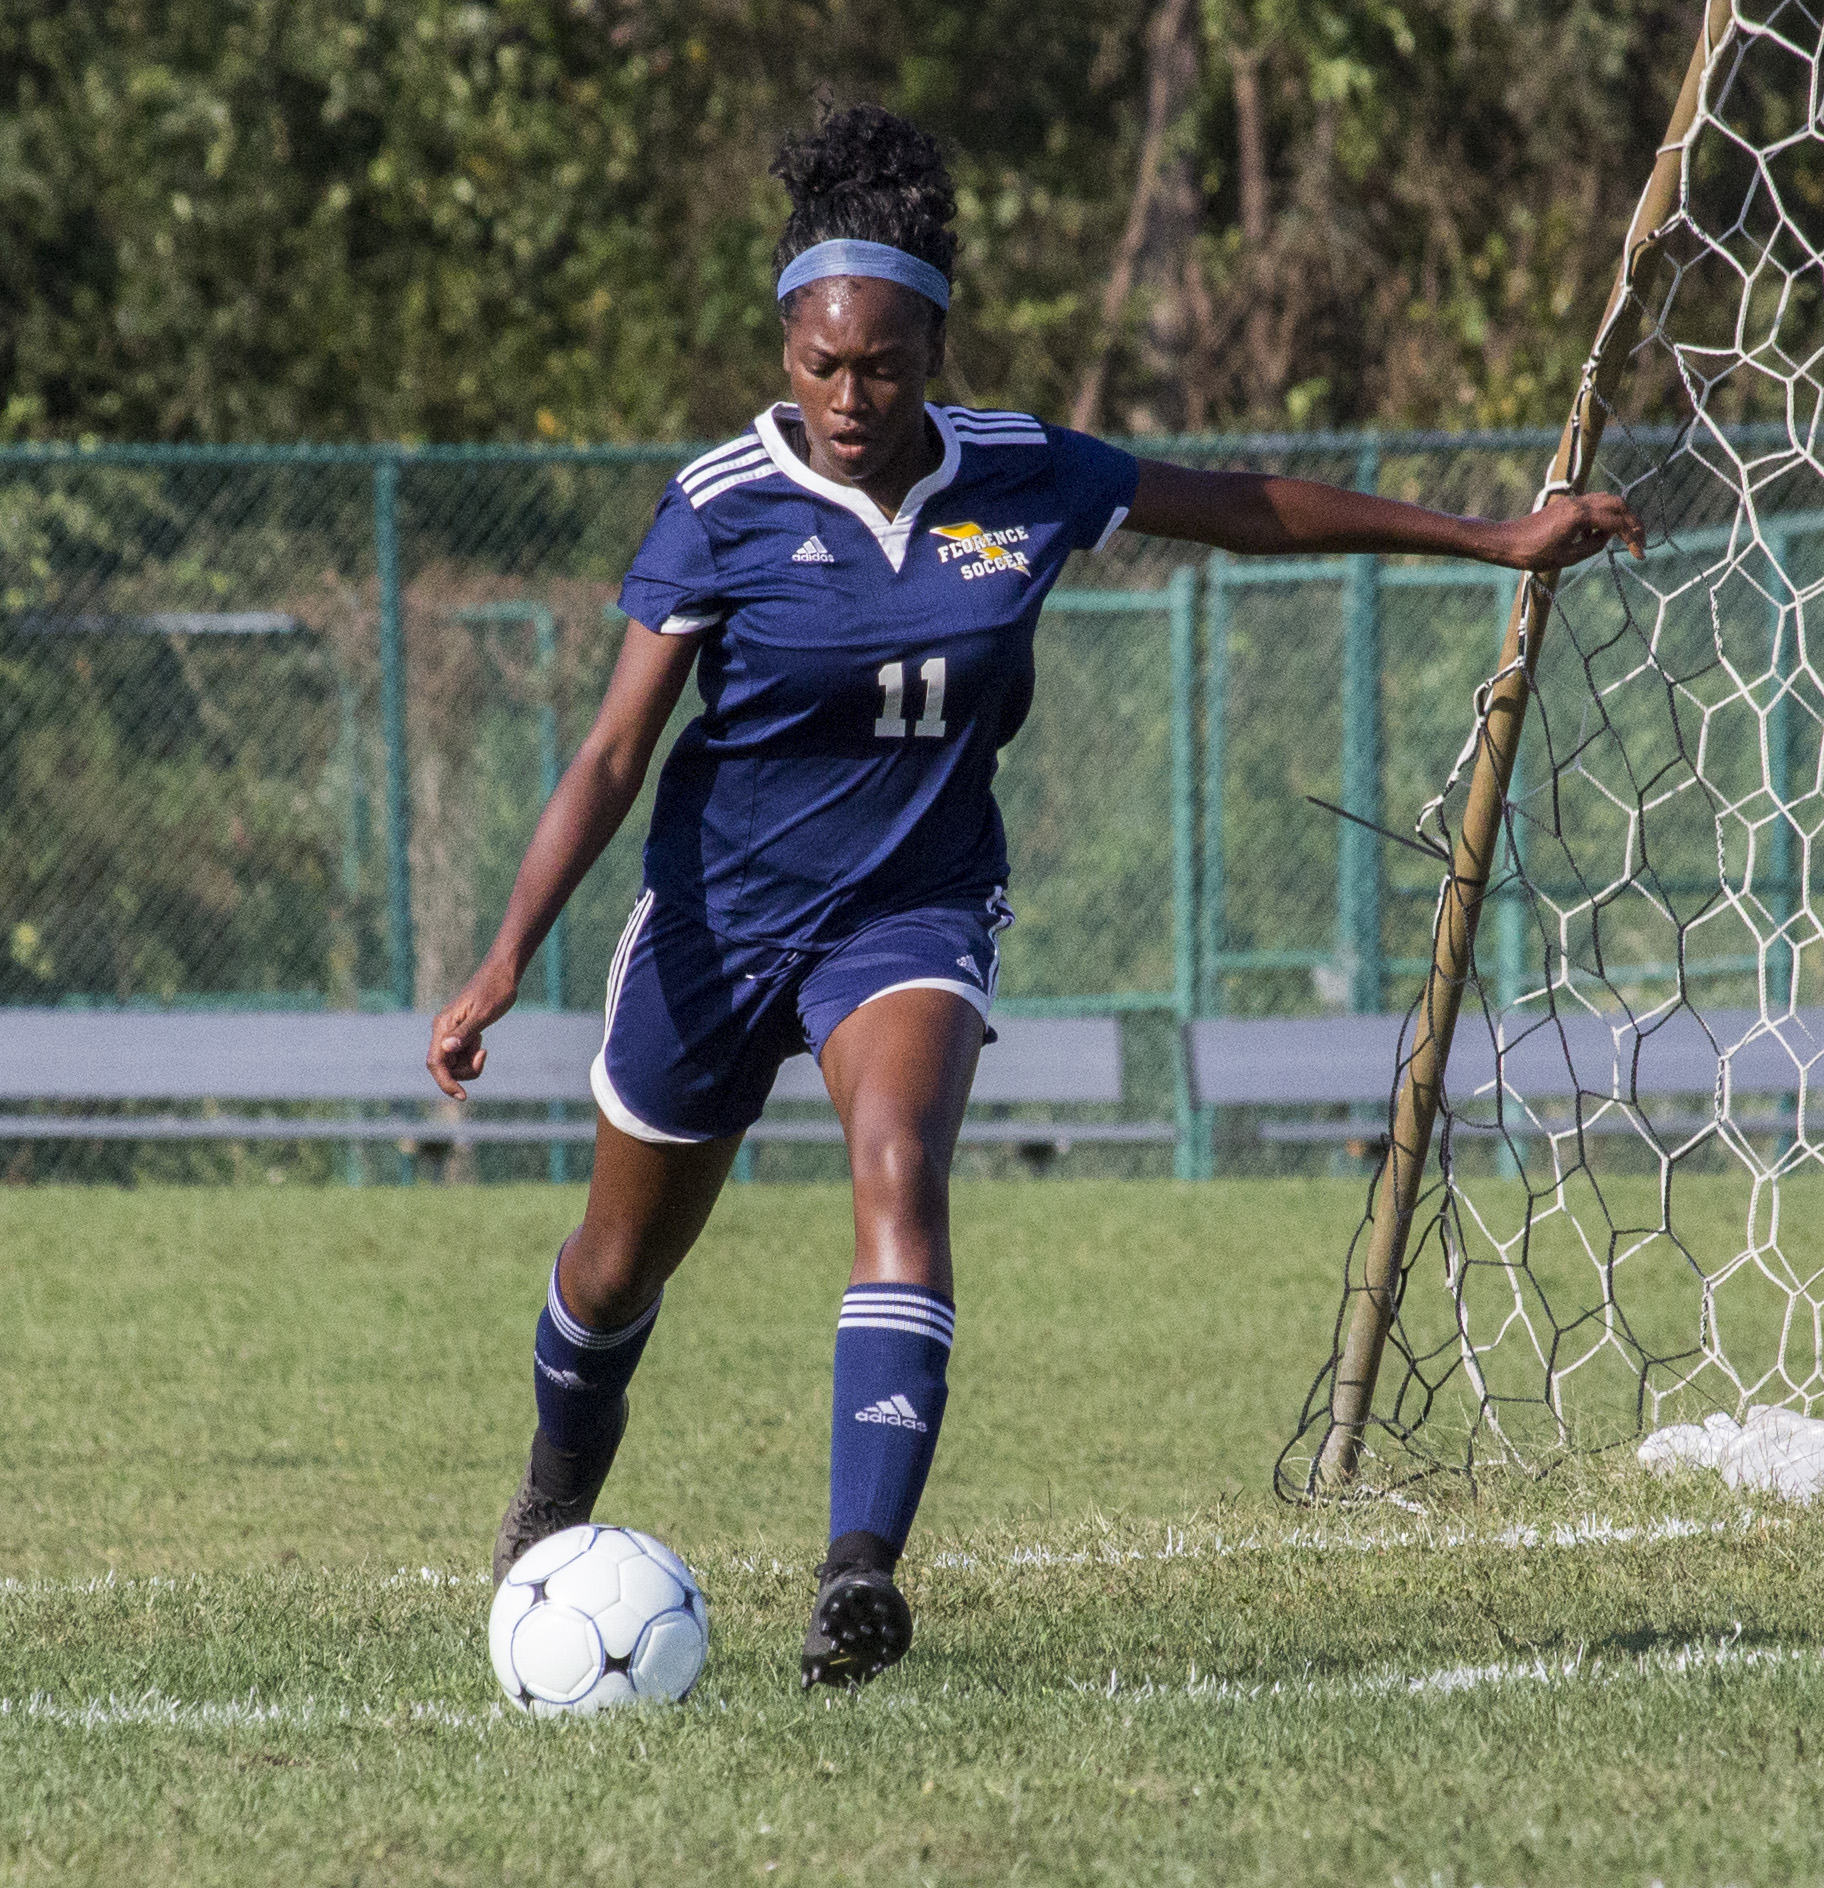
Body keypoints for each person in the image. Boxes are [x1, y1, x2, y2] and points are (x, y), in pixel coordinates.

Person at [427, 103, 1644, 1689]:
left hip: (910, 913)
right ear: (785, 345)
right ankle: (551, 1507)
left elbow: (1240, 504)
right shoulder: (721, 503)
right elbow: (607, 753)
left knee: (897, 1173)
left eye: (883, 364)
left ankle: (858, 1579)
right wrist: (505, 954)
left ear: (935, 343)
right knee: (614, 1268)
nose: (850, 397)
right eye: (819, 363)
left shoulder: (1023, 473)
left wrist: (1490, 537)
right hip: (719, 923)